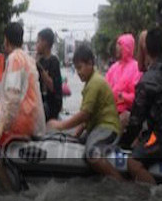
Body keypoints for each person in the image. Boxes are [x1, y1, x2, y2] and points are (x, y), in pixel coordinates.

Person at [0, 22, 46, 190]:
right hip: (30, 120)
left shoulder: (14, 58)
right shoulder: (28, 59)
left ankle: (8, 186)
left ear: (6, 40)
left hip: (19, 122)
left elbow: (12, 97)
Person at [47, 44, 124, 181]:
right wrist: (77, 131)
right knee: (71, 139)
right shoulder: (91, 82)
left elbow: (85, 114)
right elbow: (87, 115)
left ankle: (118, 180)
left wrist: (61, 125)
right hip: (97, 127)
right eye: (76, 69)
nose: (78, 72)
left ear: (90, 63)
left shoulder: (95, 83)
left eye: (80, 68)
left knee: (91, 153)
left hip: (108, 128)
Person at [121, 27, 162, 185]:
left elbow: (136, 122)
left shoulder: (146, 81)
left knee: (132, 163)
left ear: (146, 50)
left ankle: (156, 191)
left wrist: (122, 144)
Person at [105, 34, 142, 128]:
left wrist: (122, 96)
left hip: (126, 112)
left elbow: (138, 97)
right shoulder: (114, 68)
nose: (117, 49)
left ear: (127, 48)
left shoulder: (136, 68)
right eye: (117, 46)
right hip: (109, 110)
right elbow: (105, 87)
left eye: (120, 46)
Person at [35, 28, 63, 121]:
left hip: (51, 105)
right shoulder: (40, 60)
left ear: (45, 43)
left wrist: (39, 67)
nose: (36, 45)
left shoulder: (54, 61)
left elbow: (52, 86)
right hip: (41, 102)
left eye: (38, 41)